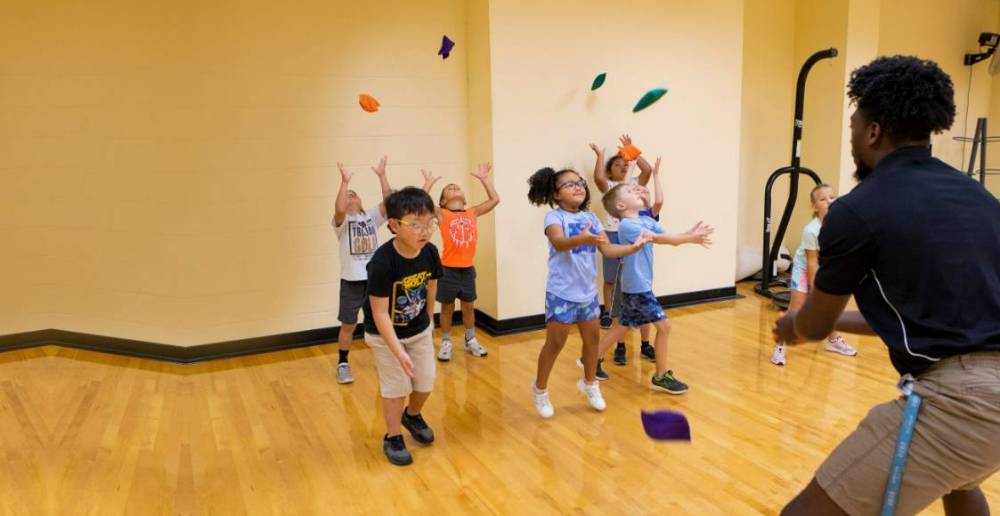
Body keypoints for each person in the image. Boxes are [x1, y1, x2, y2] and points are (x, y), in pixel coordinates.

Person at [775, 55, 1000, 516]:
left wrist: (795, 323)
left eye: (854, 124)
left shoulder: (857, 211)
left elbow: (816, 327)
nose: (853, 135)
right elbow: (915, 320)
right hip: (987, 395)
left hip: (965, 401)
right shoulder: (978, 196)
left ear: (873, 131)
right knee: (959, 484)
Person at [526, 167, 648, 418]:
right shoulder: (554, 218)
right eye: (569, 184)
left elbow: (608, 250)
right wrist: (582, 239)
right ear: (556, 194)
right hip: (561, 293)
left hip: (587, 293)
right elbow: (559, 244)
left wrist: (632, 248)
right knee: (556, 343)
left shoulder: (591, 218)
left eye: (579, 182)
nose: (578, 186)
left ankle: (590, 383)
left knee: (592, 341)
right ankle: (540, 389)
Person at [596, 181, 712, 393]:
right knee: (664, 327)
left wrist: (689, 234)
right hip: (638, 287)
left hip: (638, 284)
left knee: (622, 326)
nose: (637, 190)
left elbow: (669, 236)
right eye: (631, 191)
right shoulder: (627, 226)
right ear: (621, 206)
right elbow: (662, 240)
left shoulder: (645, 220)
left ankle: (592, 359)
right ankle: (660, 376)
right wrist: (690, 238)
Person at [362, 187, 443, 466]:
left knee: (425, 383)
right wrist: (398, 352)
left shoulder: (430, 252)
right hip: (384, 336)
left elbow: (432, 285)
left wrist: (429, 321)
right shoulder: (383, 263)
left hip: (417, 329)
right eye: (416, 224)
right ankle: (393, 436)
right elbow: (380, 313)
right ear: (394, 225)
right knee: (396, 388)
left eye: (430, 222)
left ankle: (412, 415)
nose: (425, 230)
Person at [419, 164, 500, 361]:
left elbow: (495, 199)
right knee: (447, 308)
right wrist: (428, 184)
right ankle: (446, 342)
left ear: (464, 198)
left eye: (457, 187)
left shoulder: (472, 212)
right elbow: (420, 204)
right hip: (447, 269)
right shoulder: (442, 214)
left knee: (468, 307)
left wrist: (484, 179)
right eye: (449, 188)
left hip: (467, 270)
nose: (454, 188)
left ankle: (470, 339)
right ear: (443, 200)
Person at [770, 183, 857, 366]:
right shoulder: (811, 230)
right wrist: (814, 289)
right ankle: (780, 345)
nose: (829, 201)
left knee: (830, 310)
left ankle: (833, 341)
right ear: (815, 206)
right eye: (823, 199)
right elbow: (811, 261)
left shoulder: (840, 223)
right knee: (796, 309)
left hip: (826, 268)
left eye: (832, 197)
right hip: (805, 270)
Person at [331, 157, 392, 384]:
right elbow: (338, 208)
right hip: (351, 281)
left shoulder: (371, 218)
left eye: (354, 194)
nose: (351, 196)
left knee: (379, 322)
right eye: (348, 195)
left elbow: (390, 201)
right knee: (348, 324)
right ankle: (343, 363)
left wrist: (381, 175)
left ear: (361, 200)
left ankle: (384, 359)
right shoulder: (341, 223)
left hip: (374, 280)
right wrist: (344, 182)